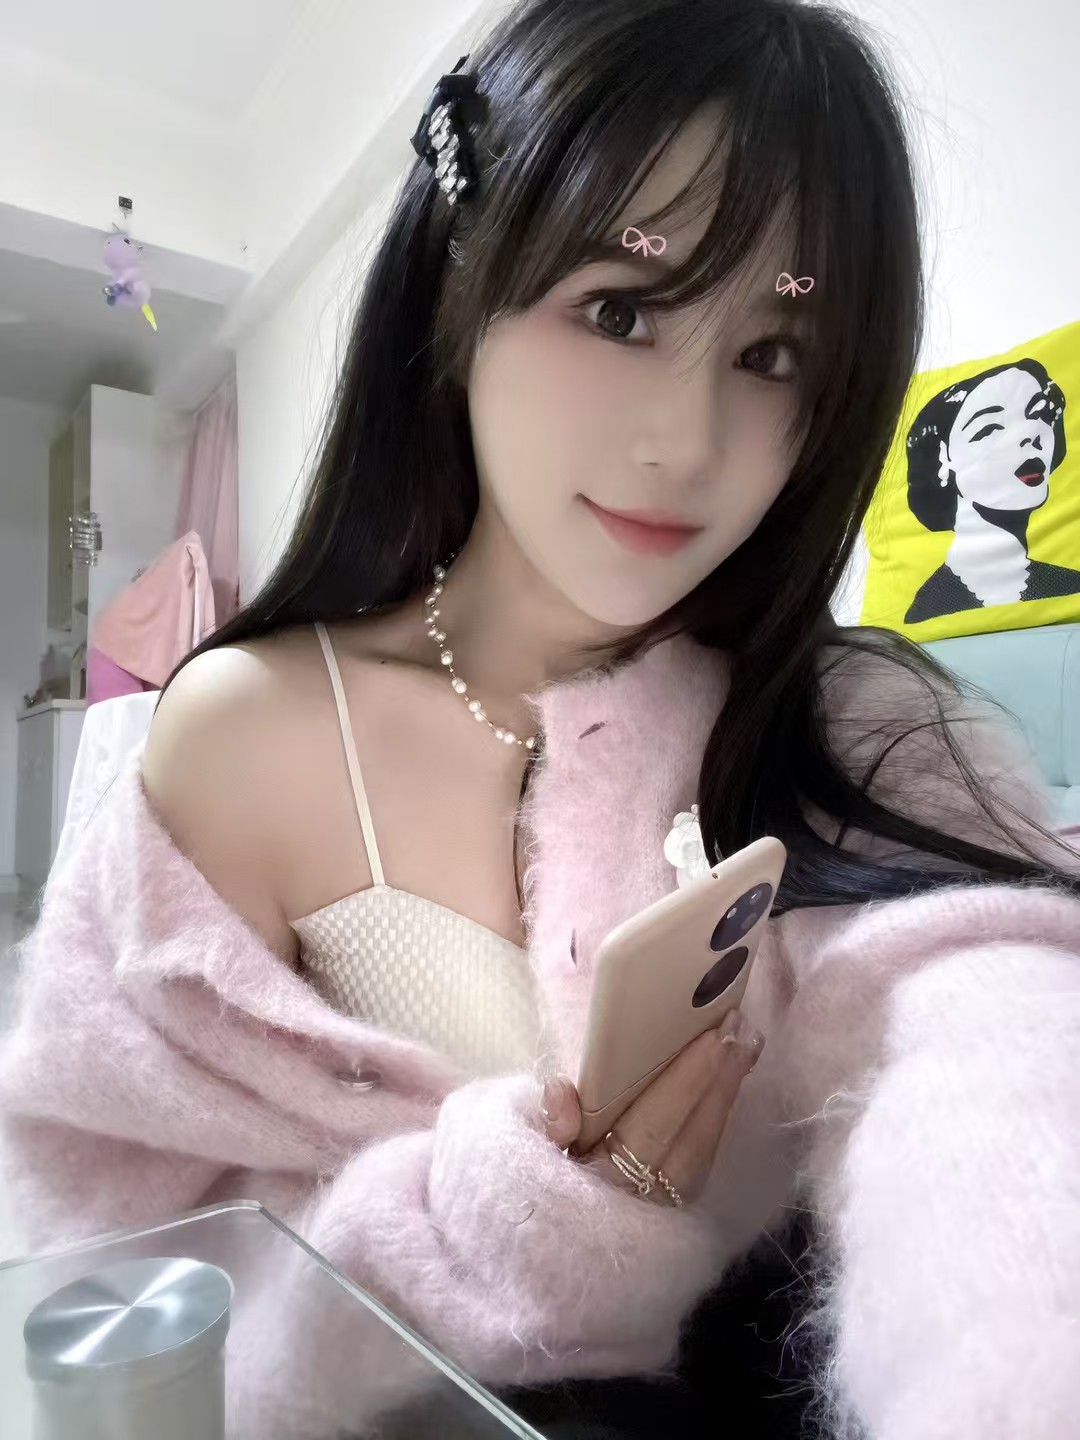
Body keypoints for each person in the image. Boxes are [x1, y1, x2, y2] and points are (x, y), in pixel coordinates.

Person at [2, 2, 1080, 1437]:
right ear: (461, 290)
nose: (687, 443)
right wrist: (520, 1225)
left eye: (774, 355)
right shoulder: (240, 733)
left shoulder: (853, 721)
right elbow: (121, 1267)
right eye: (621, 310)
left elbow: (996, 1039)